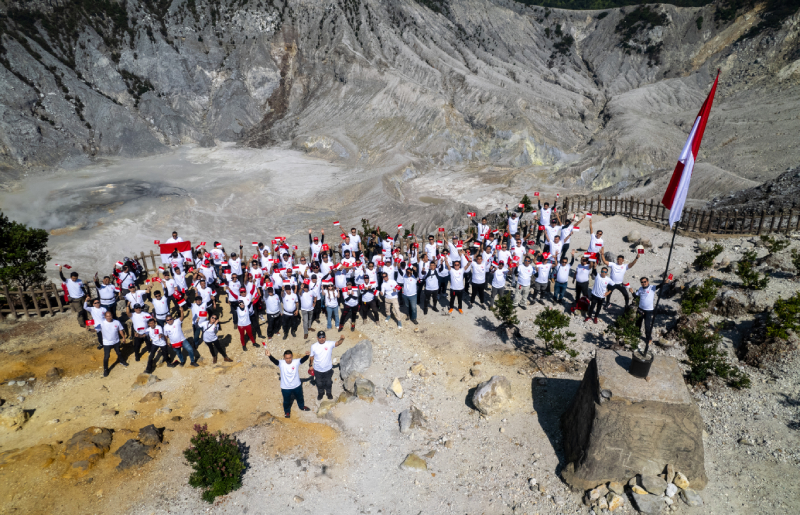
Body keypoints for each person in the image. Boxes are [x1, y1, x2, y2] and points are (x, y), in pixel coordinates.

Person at [265, 348, 311, 418]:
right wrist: (269, 355)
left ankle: (301, 407)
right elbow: (275, 361)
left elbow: (302, 360)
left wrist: (307, 356)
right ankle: (287, 412)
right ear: (284, 358)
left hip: (297, 385)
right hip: (285, 387)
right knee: (286, 401)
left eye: (290, 358)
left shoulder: (296, 362)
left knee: (300, 397)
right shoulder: (281, 363)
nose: (288, 360)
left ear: (292, 357)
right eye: (286, 358)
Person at [629, 276, 672, 348]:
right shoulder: (640, 289)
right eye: (642, 282)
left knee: (647, 325)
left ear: (648, 282)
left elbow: (659, 286)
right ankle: (636, 335)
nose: (643, 283)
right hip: (640, 309)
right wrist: (632, 292)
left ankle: (649, 339)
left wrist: (664, 282)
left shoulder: (652, 288)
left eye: (645, 282)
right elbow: (636, 297)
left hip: (648, 310)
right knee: (638, 323)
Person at [309, 331, 345, 400]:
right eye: (320, 337)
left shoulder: (329, 344)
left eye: (323, 337)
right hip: (317, 369)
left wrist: (342, 339)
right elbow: (311, 357)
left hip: (328, 369)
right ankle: (321, 393)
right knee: (319, 383)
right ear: (317, 338)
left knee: (328, 382)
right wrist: (310, 365)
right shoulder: (313, 346)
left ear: (325, 337)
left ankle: (329, 393)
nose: (321, 338)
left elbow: (337, 343)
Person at [96, 311, 128, 377]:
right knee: (107, 356)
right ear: (105, 317)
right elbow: (96, 329)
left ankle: (122, 361)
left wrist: (123, 337)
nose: (109, 317)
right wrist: (89, 329)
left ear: (112, 315)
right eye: (107, 316)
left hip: (116, 341)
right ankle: (105, 369)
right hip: (106, 343)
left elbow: (120, 330)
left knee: (119, 352)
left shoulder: (116, 322)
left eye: (110, 316)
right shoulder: (102, 323)